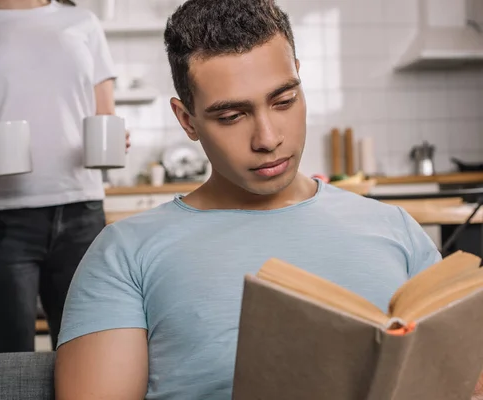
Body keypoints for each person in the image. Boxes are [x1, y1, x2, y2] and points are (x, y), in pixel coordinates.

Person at [54, 0, 480, 399]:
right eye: (231, 116)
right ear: (187, 120)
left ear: (299, 77)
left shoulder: (396, 229)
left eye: (284, 101)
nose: (268, 139)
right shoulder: (125, 252)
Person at [0, 0, 128, 353]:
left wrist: (113, 141)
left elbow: (105, 115)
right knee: (7, 365)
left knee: (86, 356)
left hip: (79, 215)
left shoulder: (83, 23)